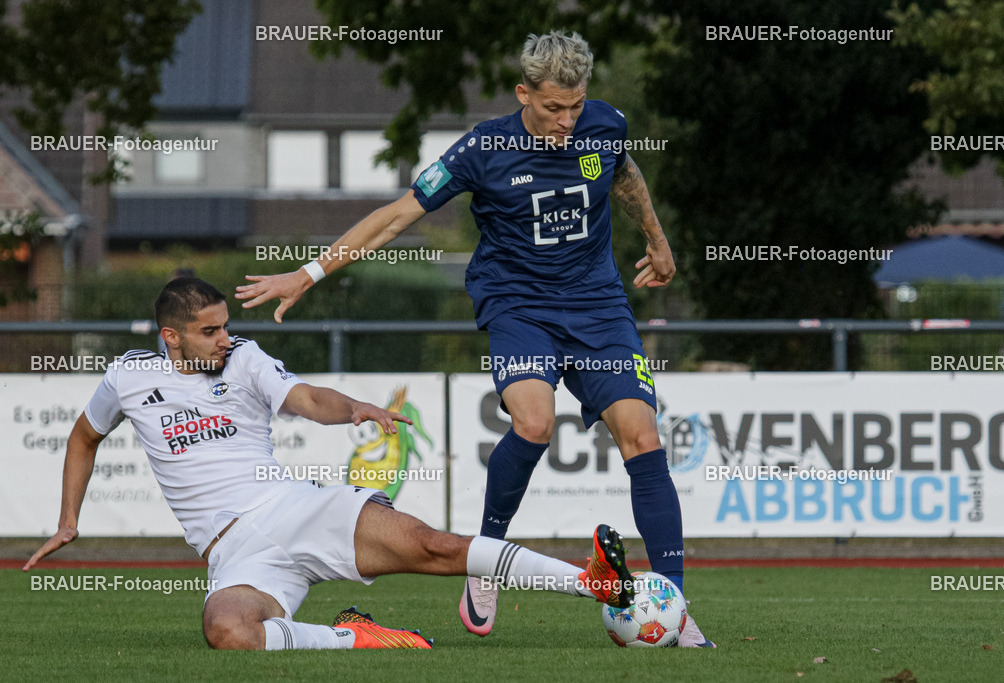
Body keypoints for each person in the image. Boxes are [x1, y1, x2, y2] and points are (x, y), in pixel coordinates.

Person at [234, 30, 714, 648]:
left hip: (597, 306)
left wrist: (656, 238)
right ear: (523, 94)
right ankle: (485, 563)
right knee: (534, 423)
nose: (567, 121)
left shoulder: (605, 125)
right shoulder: (482, 150)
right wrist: (310, 272)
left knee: (644, 438)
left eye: (575, 106)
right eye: (552, 109)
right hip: (518, 307)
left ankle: (674, 606)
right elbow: (396, 215)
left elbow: (625, 175)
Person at [23, 277, 635, 651]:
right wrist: (68, 520)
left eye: (226, 327)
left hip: (294, 508)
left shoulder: (246, 360)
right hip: (234, 553)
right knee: (228, 632)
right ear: (171, 337)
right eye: (209, 332)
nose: (224, 340)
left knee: (434, 546)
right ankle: (355, 637)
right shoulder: (128, 377)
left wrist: (355, 410)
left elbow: (309, 399)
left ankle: (591, 582)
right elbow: (83, 437)